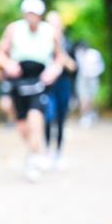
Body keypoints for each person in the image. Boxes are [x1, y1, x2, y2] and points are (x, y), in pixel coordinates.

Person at [0, 0, 64, 182]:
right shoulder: (14, 29)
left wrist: (54, 70)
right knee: (23, 126)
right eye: (28, 14)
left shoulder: (50, 32)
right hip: (18, 79)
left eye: (35, 14)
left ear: (40, 15)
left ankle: (33, 159)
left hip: (39, 80)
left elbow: (60, 57)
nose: (32, 17)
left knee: (35, 119)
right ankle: (36, 151)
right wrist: (8, 64)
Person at [43, 11, 76, 169]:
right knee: (48, 117)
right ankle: (47, 152)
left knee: (61, 118)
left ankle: (58, 153)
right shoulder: (41, 43)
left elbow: (73, 67)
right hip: (47, 86)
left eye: (55, 24)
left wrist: (62, 57)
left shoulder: (68, 43)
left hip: (63, 83)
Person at [74, 40, 104, 127]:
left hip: (93, 78)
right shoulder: (78, 53)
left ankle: (90, 113)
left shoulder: (94, 54)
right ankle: (84, 116)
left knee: (91, 97)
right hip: (82, 78)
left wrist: (94, 73)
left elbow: (100, 66)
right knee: (82, 97)